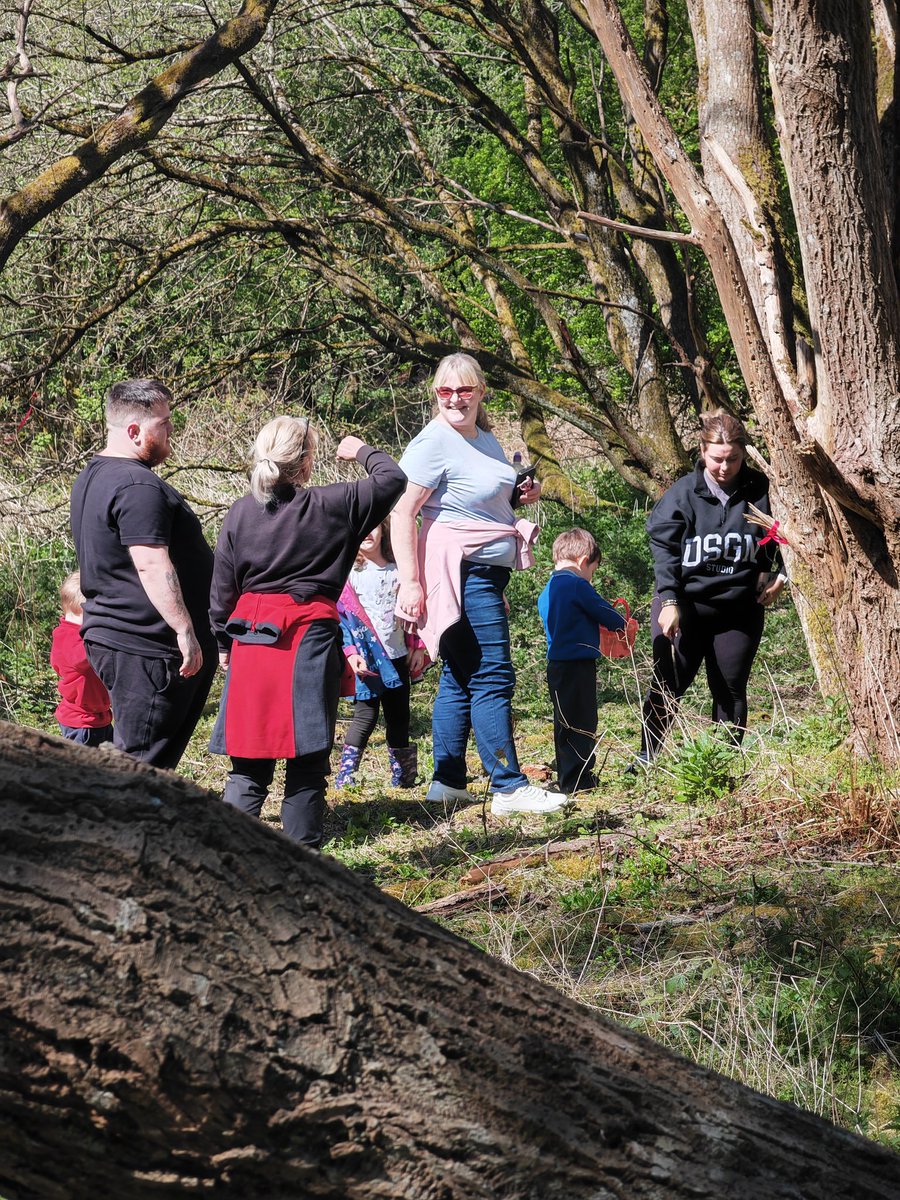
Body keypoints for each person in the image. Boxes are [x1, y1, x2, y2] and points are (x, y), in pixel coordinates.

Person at [209, 417, 406, 847]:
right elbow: (393, 477)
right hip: (307, 641)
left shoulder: (241, 511)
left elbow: (222, 591)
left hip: (251, 641)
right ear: (306, 462)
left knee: (248, 767)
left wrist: (225, 644)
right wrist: (360, 450)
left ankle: (225, 861)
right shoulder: (334, 503)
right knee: (305, 763)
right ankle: (302, 871)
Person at [393, 352, 566, 815]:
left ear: (480, 392)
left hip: (485, 574)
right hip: (460, 574)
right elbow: (402, 513)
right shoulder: (432, 443)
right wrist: (411, 582)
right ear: (435, 395)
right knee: (493, 674)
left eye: (464, 390)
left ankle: (447, 782)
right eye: (445, 391)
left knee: (460, 674)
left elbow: (478, 499)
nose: (455, 398)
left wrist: (518, 493)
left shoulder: (484, 438)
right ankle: (508, 786)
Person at [70, 379, 217, 770]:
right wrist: (186, 630)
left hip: (123, 639)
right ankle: (115, 831)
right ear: (134, 432)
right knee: (140, 765)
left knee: (145, 761)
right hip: (148, 647)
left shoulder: (95, 474)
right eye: (164, 423)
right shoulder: (137, 485)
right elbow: (151, 562)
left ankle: (143, 828)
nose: (172, 431)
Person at [636, 409, 786, 764]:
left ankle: (724, 763)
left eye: (733, 459)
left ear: (743, 455)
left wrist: (780, 576)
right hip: (685, 606)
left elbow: (786, 534)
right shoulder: (683, 494)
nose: (724, 467)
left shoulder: (761, 489)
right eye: (717, 459)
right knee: (668, 684)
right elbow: (665, 549)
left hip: (738, 610)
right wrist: (669, 598)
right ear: (702, 451)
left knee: (730, 686)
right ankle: (646, 758)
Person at [335, 519, 427, 789]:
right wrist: (351, 653)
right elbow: (343, 621)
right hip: (367, 659)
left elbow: (416, 613)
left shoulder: (401, 571)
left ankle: (404, 778)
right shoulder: (350, 575)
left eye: (373, 527)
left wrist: (418, 647)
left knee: (399, 716)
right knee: (365, 716)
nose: (367, 534)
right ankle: (345, 777)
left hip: (397, 656)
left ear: (385, 530)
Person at [537, 529, 627, 794]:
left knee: (564, 720)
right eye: (594, 570)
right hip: (578, 665)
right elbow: (607, 614)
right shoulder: (577, 585)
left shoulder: (548, 589)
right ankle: (579, 780)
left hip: (556, 665)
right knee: (583, 722)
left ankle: (568, 774)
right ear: (583, 560)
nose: (591, 577)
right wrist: (622, 621)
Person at [49, 570, 114, 746]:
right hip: (80, 722)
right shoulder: (66, 635)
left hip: (98, 717)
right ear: (84, 611)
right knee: (81, 767)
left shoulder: (81, 634)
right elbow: (81, 660)